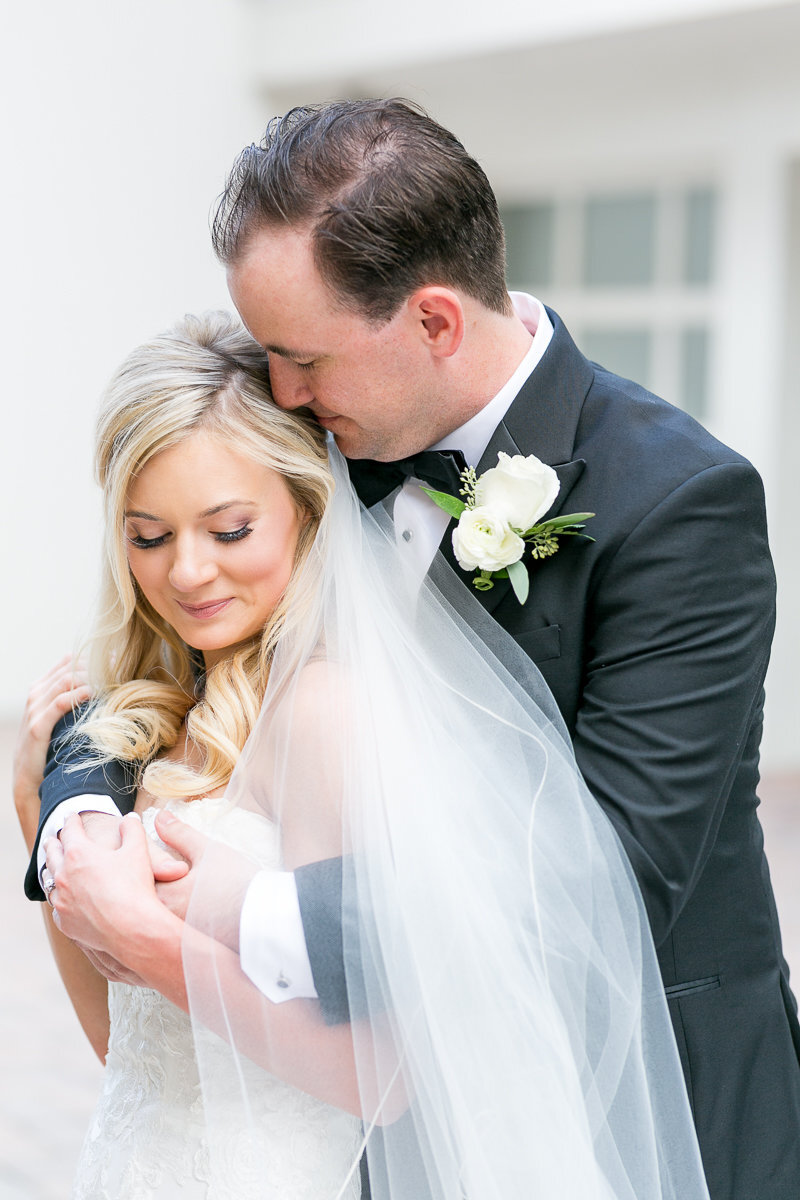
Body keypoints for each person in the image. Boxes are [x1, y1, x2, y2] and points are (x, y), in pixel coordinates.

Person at [25, 99, 800, 1198]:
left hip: (635, 1100)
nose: (278, 391)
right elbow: (162, 645)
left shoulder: (674, 504)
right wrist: (77, 813)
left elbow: (605, 888)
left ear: (433, 322)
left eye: (298, 358)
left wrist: (226, 906)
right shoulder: (324, 432)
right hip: (352, 1136)